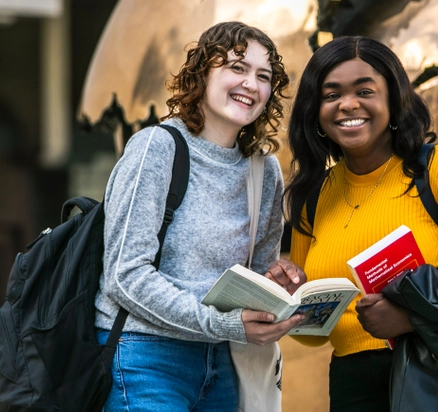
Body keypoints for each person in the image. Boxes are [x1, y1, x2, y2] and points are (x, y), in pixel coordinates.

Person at [264, 36, 438, 411]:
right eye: (331, 94)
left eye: (365, 90)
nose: (348, 104)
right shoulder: (314, 196)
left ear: (393, 99)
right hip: (352, 387)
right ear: (315, 110)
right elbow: (315, 337)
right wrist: (291, 300)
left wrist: (409, 317)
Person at [93, 21, 303, 411]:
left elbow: (251, 277)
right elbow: (124, 276)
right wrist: (223, 324)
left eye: (263, 76)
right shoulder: (156, 148)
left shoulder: (264, 171)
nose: (251, 85)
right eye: (236, 68)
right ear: (202, 74)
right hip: (144, 356)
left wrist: (275, 285)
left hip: (223, 362)